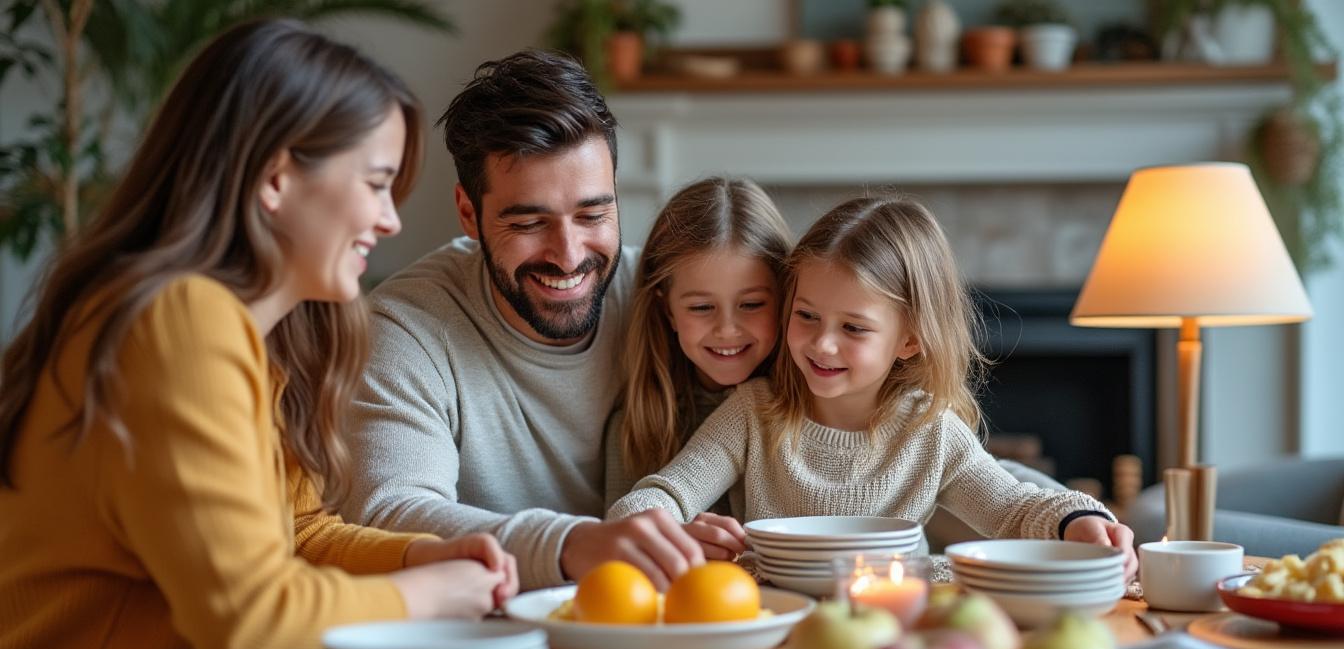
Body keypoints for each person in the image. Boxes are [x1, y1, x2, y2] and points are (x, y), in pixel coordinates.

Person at [0, 20, 517, 649]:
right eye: (375, 183)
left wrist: (419, 558)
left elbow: (297, 535)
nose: (391, 219)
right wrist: (435, 597)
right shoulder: (179, 323)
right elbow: (252, 622)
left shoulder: (243, 335)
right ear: (275, 177)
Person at [608, 194, 1139, 579]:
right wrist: (660, 528)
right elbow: (662, 493)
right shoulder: (753, 412)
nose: (823, 345)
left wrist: (1079, 518)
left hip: (897, 629)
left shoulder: (930, 432)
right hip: (772, 623)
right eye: (807, 316)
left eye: (854, 328)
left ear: (909, 339)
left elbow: (1014, 508)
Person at [344, 50, 704, 591]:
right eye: (531, 222)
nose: (568, 255)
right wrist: (570, 546)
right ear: (469, 213)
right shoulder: (406, 327)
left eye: (592, 215)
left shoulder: (670, 300)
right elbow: (390, 513)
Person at [604, 176, 791, 560]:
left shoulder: (815, 402)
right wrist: (669, 539)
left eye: (752, 304)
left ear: (786, 297)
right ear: (667, 309)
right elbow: (619, 540)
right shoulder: (640, 422)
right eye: (701, 308)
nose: (727, 329)